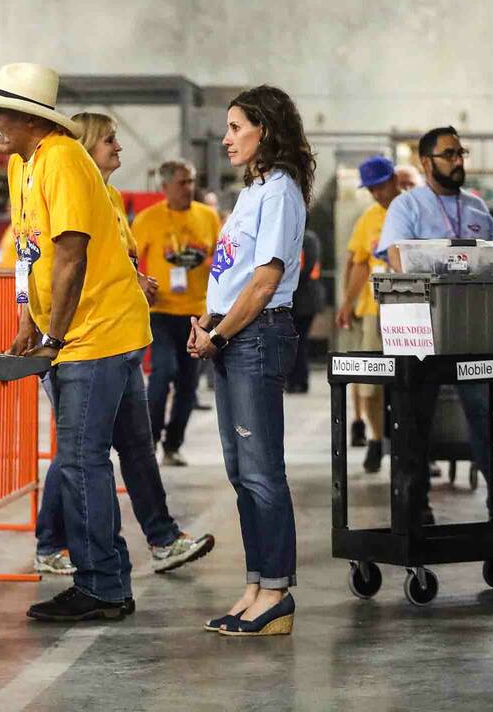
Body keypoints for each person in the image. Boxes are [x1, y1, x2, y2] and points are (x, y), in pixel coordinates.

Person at [0, 63, 152, 622]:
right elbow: (30, 252)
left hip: (96, 333)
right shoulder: (24, 164)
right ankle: (108, 579)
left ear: (29, 118)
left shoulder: (63, 159)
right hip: (73, 333)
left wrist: (53, 335)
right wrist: (27, 318)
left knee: (81, 461)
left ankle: (103, 587)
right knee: (88, 458)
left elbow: (71, 254)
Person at [32, 117, 213, 578]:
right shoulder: (72, 191)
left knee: (133, 446)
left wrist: (137, 279)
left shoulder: (111, 198)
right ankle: (58, 546)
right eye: (111, 140)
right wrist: (43, 333)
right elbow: (61, 261)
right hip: (87, 340)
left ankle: (164, 539)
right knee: (79, 452)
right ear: (89, 146)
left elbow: (116, 257)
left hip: (123, 334)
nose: (120, 148)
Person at [188, 84, 310, 637]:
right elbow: (234, 275)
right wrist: (209, 324)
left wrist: (220, 334)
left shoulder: (280, 192)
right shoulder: (253, 191)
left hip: (256, 337)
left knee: (262, 473)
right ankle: (257, 582)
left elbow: (264, 283)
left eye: (237, 127)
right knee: (242, 472)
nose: (226, 137)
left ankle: (277, 592)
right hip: (233, 335)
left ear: (267, 130)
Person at [377, 126, 493, 522]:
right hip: (421, 332)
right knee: (414, 421)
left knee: (490, 415)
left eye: (460, 153)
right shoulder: (407, 207)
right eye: (449, 154)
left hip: (471, 333)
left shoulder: (477, 210)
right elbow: (397, 259)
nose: (458, 161)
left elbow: (492, 264)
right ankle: (414, 506)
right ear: (426, 162)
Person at [131, 159, 221, 465]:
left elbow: (222, 259)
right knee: (163, 372)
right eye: (182, 183)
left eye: (192, 181)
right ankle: (151, 441)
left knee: (188, 382)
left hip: (198, 314)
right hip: (161, 312)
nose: (189, 188)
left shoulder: (209, 217)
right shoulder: (147, 220)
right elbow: (127, 261)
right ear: (165, 186)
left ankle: (173, 445)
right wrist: (139, 286)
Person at [335, 156, 402, 472]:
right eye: (371, 189)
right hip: (374, 311)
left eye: (380, 186)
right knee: (371, 383)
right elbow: (359, 263)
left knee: (410, 383)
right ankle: (376, 439)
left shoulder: (412, 210)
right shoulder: (368, 218)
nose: (377, 194)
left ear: (394, 180)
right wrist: (347, 302)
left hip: (412, 311)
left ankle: (410, 446)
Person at [286, 229, 323, 394]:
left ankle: (298, 380)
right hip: (300, 299)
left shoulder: (306, 239)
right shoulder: (308, 238)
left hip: (303, 300)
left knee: (298, 342)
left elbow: (306, 267)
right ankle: (296, 380)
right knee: (297, 342)